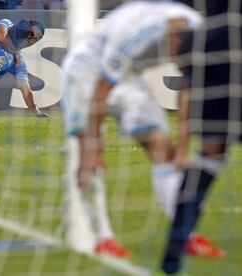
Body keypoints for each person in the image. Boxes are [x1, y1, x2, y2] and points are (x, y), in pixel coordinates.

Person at [62, 0, 222, 258]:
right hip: (88, 71)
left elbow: (188, 88)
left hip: (131, 76)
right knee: (88, 157)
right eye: (177, 55)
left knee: (163, 148)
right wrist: (95, 146)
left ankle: (184, 236)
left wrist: (183, 147)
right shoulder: (135, 34)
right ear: (172, 36)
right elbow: (100, 91)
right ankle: (103, 237)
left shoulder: (198, 32)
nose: (177, 61)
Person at [161, 0, 242, 274]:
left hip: (216, 54)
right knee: (207, 161)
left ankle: (172, 254)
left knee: (206, 163)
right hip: (221, 53)